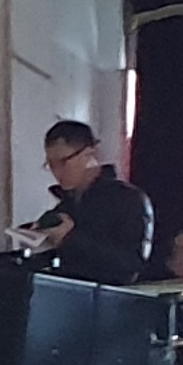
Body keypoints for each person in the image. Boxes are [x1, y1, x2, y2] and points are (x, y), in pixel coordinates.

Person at [21, 119, 156, 285]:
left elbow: (131, 266)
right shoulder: (65, 206)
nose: (57, 172)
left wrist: (69, 238)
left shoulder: (129, 199)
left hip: (112, 298)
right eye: (51, 165)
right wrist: (35, 238)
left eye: (63, 162)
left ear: (89, 154)